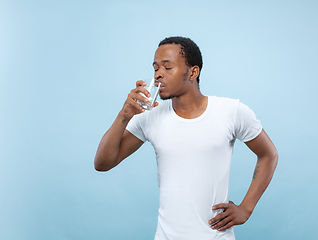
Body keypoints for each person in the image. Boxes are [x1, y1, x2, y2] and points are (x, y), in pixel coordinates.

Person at [94, 36, 278, 239]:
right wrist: (124, 115)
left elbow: (268, 154)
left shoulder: (231, 111)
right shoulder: (149, 116)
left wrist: (246, 209)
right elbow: (103, 163)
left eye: (167, 67)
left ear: (193, 72)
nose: (158, 76)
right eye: (155, 69)